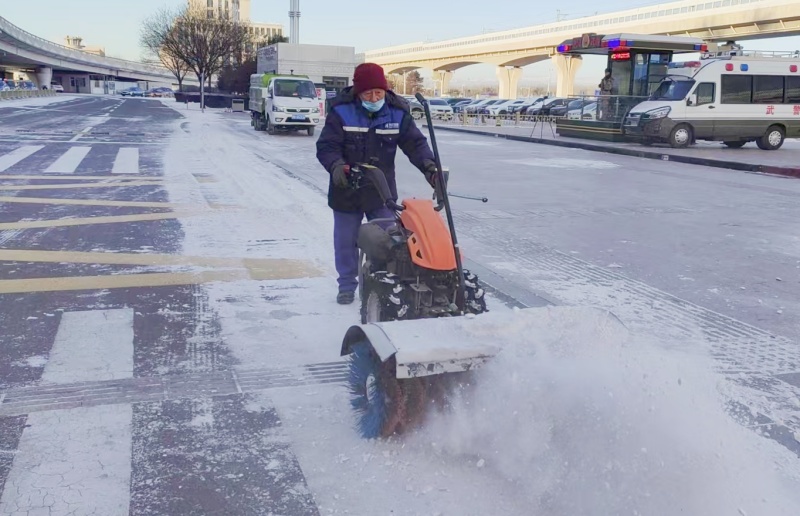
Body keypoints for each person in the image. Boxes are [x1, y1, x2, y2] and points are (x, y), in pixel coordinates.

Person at [316, 62, 439, 305]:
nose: (374, 97)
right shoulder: (342, 111)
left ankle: (380, 282)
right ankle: (347, 285)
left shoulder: (397, 112)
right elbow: (326, 146)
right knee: (345, 240)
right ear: (358, 92)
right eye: (368, 93)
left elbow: (415, 144)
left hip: (380, 190)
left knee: (387, 240)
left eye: (379, 93)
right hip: (347, 186)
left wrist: (429, 167)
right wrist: (336, 165)